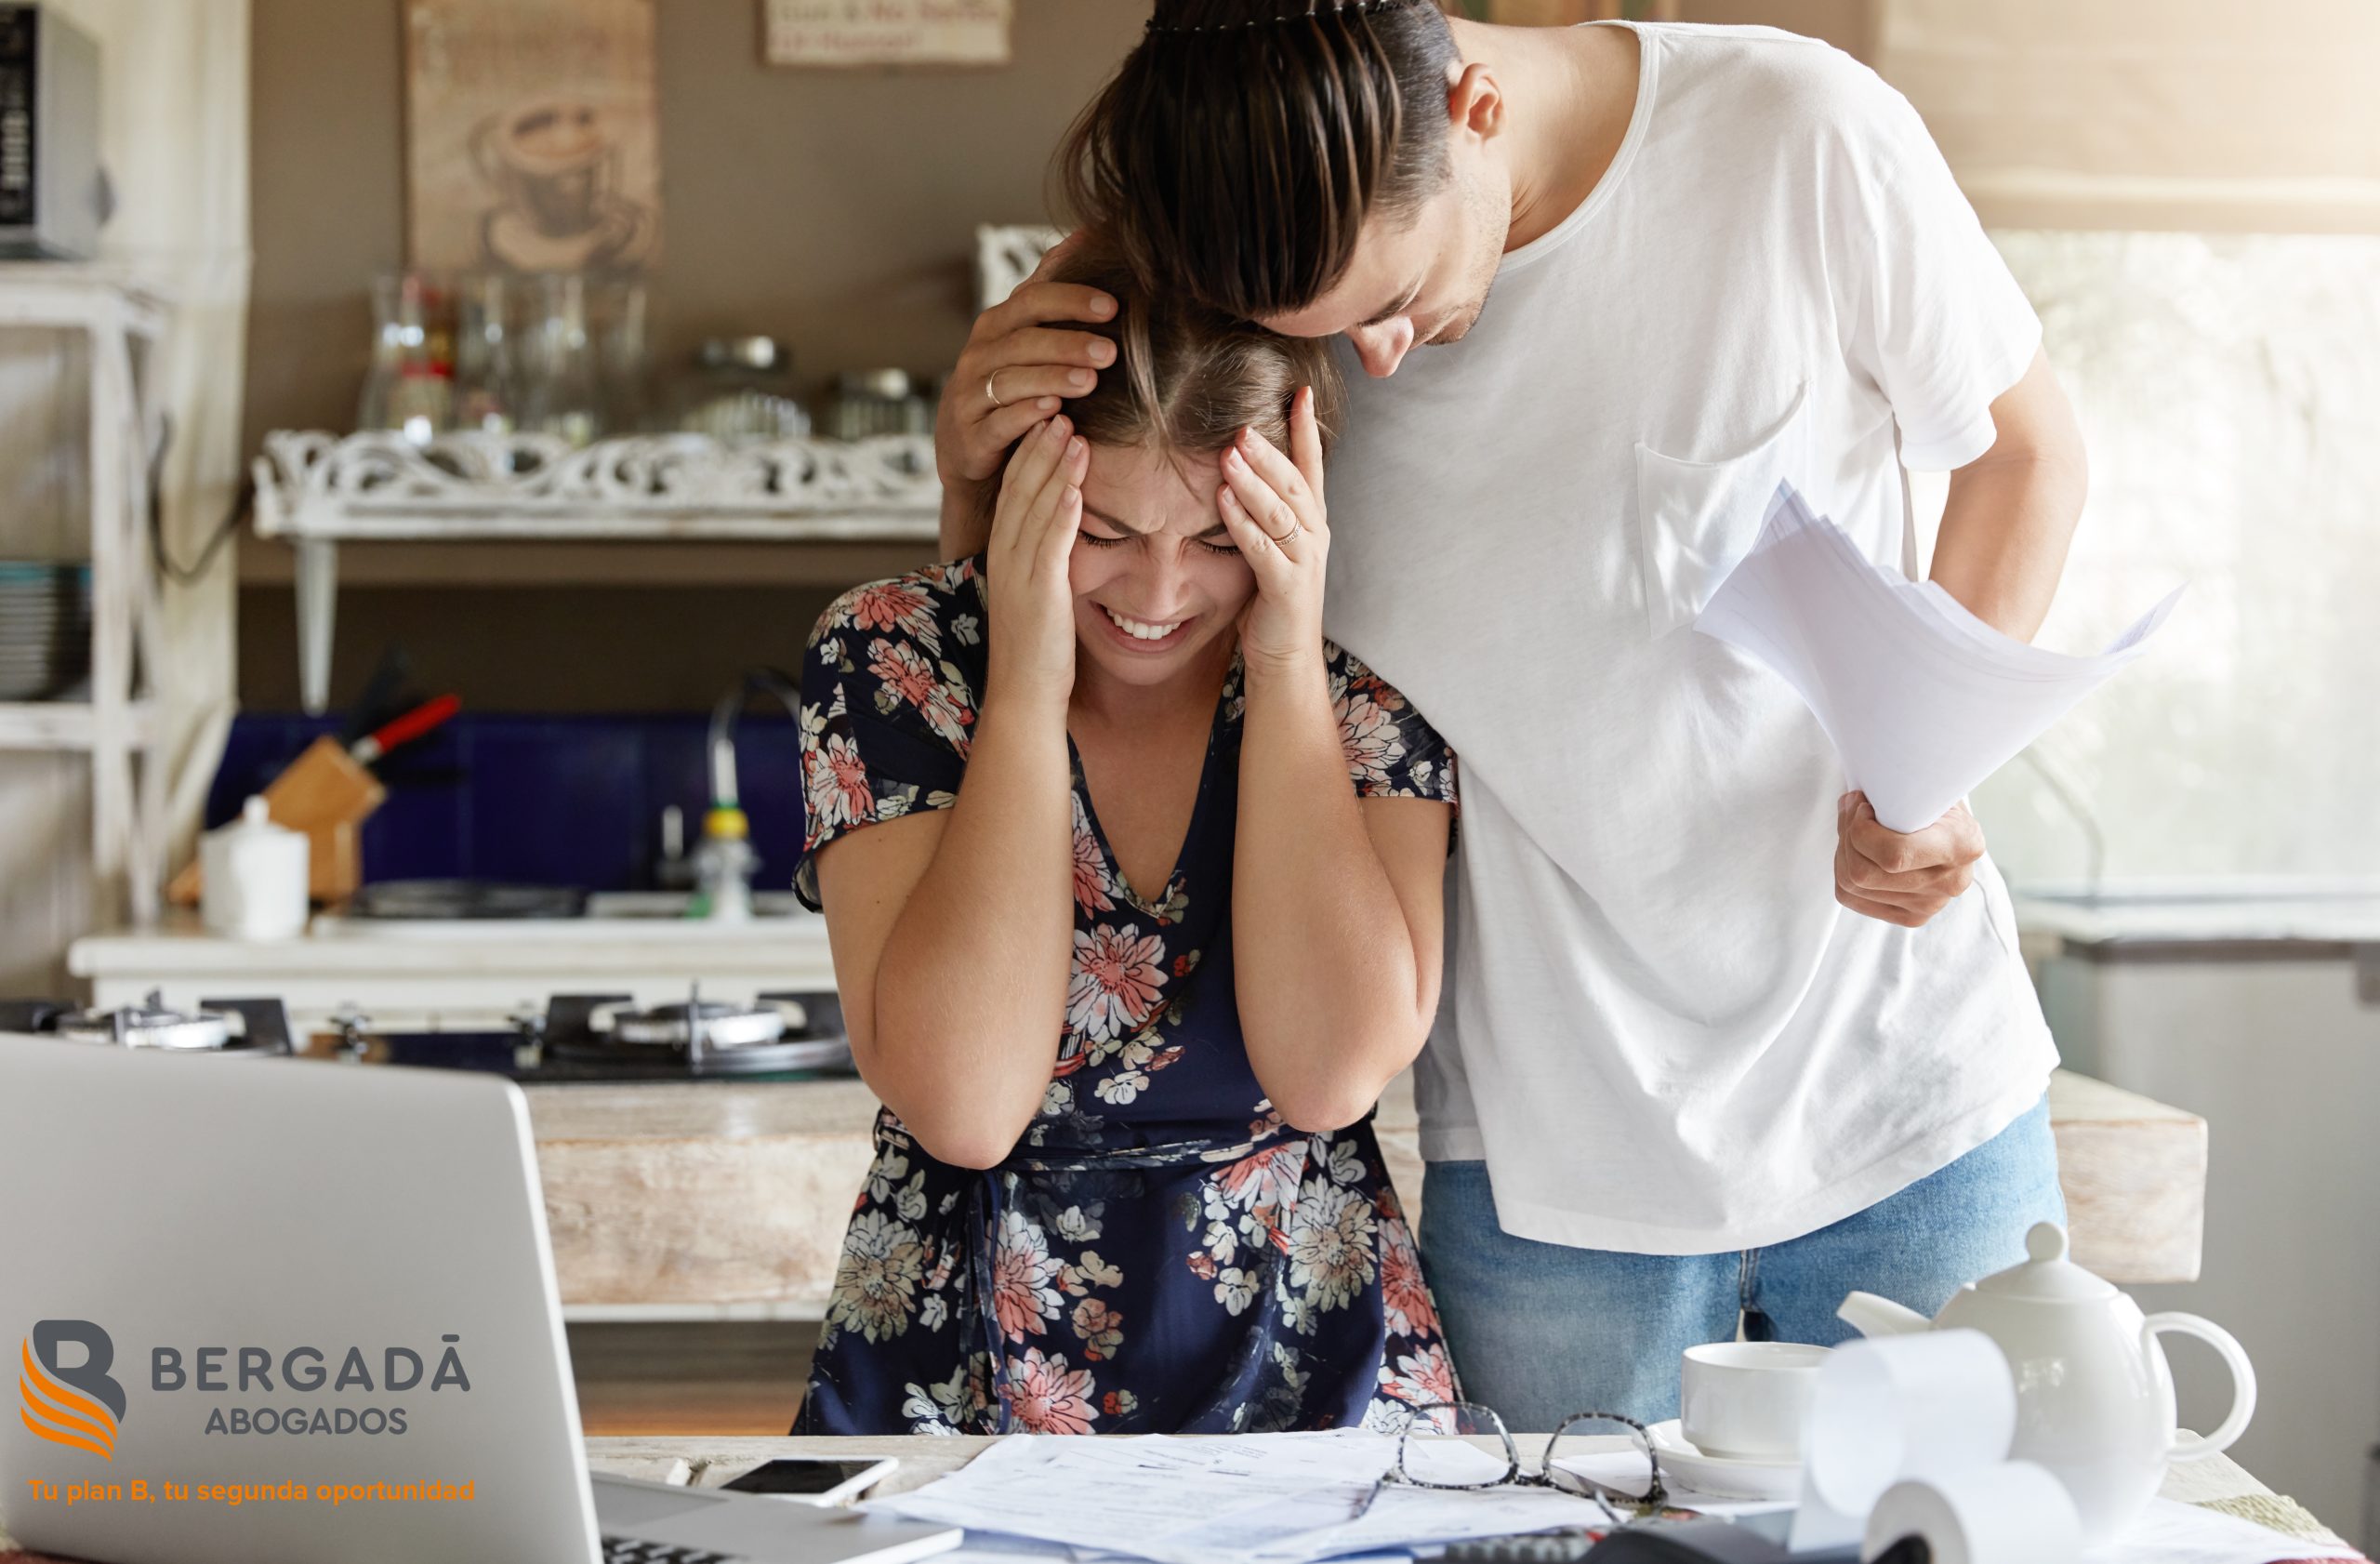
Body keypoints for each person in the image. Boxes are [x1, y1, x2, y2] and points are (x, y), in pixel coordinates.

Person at [934, 2, 2087, 1431]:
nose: (1380, 360)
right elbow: (1120, 584)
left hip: (1903, 1094)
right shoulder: (1247, 261)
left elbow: (2027, 457)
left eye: (1391, 295)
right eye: (1329, 333)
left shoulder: (1800, 134)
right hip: (1550, 1169)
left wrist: (1926, 750)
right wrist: (969, 472)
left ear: (1473, 109)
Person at [791, 242, 1461, 1436]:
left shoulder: (1366, 675)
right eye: (1101, 528)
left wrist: (1283, 658)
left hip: (1308, 1359)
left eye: (1216, 540)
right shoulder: (895, 655)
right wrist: (1024, 686)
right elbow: (965, 1104)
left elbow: (1327, 1076)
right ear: (1023, 495)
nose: (1157, 593)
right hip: (963, 1357)